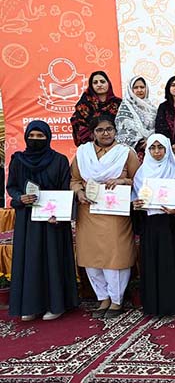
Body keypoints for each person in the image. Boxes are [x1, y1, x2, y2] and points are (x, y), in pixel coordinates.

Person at [7, 121, 78, 321]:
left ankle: (56, 305)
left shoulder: (59, 160)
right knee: (30, 260)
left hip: (52, 219)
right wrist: (20, 197)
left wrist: (61, 213)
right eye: (32, 136)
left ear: (48, 138)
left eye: (41, 136)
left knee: (52, 260)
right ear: (26, 136)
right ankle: (30, 305)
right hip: (28, 219)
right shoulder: (18, 160)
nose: (36, 140)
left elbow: (65, 189)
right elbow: (11, 186)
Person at [71, 115, 140, 319]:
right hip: (89, 210)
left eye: (109, 129)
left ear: (115, 131)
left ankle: (117, 300)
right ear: (93, 133)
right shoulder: (82, 153)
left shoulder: (126, 153)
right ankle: (103, 298)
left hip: (114, 212)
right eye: (100, 130)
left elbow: (140, 181)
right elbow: (74, 179)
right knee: (92, 257)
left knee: (115, 256)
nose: (106, 133)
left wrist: (122, 180)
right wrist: (78, 192)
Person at [131, 134, 175, 316]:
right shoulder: (141, 174)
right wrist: (136, 205)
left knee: (169, 262)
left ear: (167, 149)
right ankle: (152, 305)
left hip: (169, 225)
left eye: (160, 147)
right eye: (152, 148)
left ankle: (171, 304)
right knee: (151, 262)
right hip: (150, 224)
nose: (156, 152)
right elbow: (136, 202)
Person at [71, 71, 122, 146]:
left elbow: (125, 125)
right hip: (91, 146)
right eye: (95, 82)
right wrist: (98, 139)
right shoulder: (84, 104)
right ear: (91, 86)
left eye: (102, 81)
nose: (99, 85)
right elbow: (79, 126)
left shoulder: (118, 103)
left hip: (116, 145)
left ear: (108, 83)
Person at [115, 76, 157, 157]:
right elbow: (125, 130)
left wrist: (151, 140)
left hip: (153, 148)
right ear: (131, 90)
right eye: (136, 87)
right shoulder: (126, 107)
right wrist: (141, 141)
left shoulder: (152, 108)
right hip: (134, 151)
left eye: (142, 87)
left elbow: (157, 127)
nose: (139, 90)